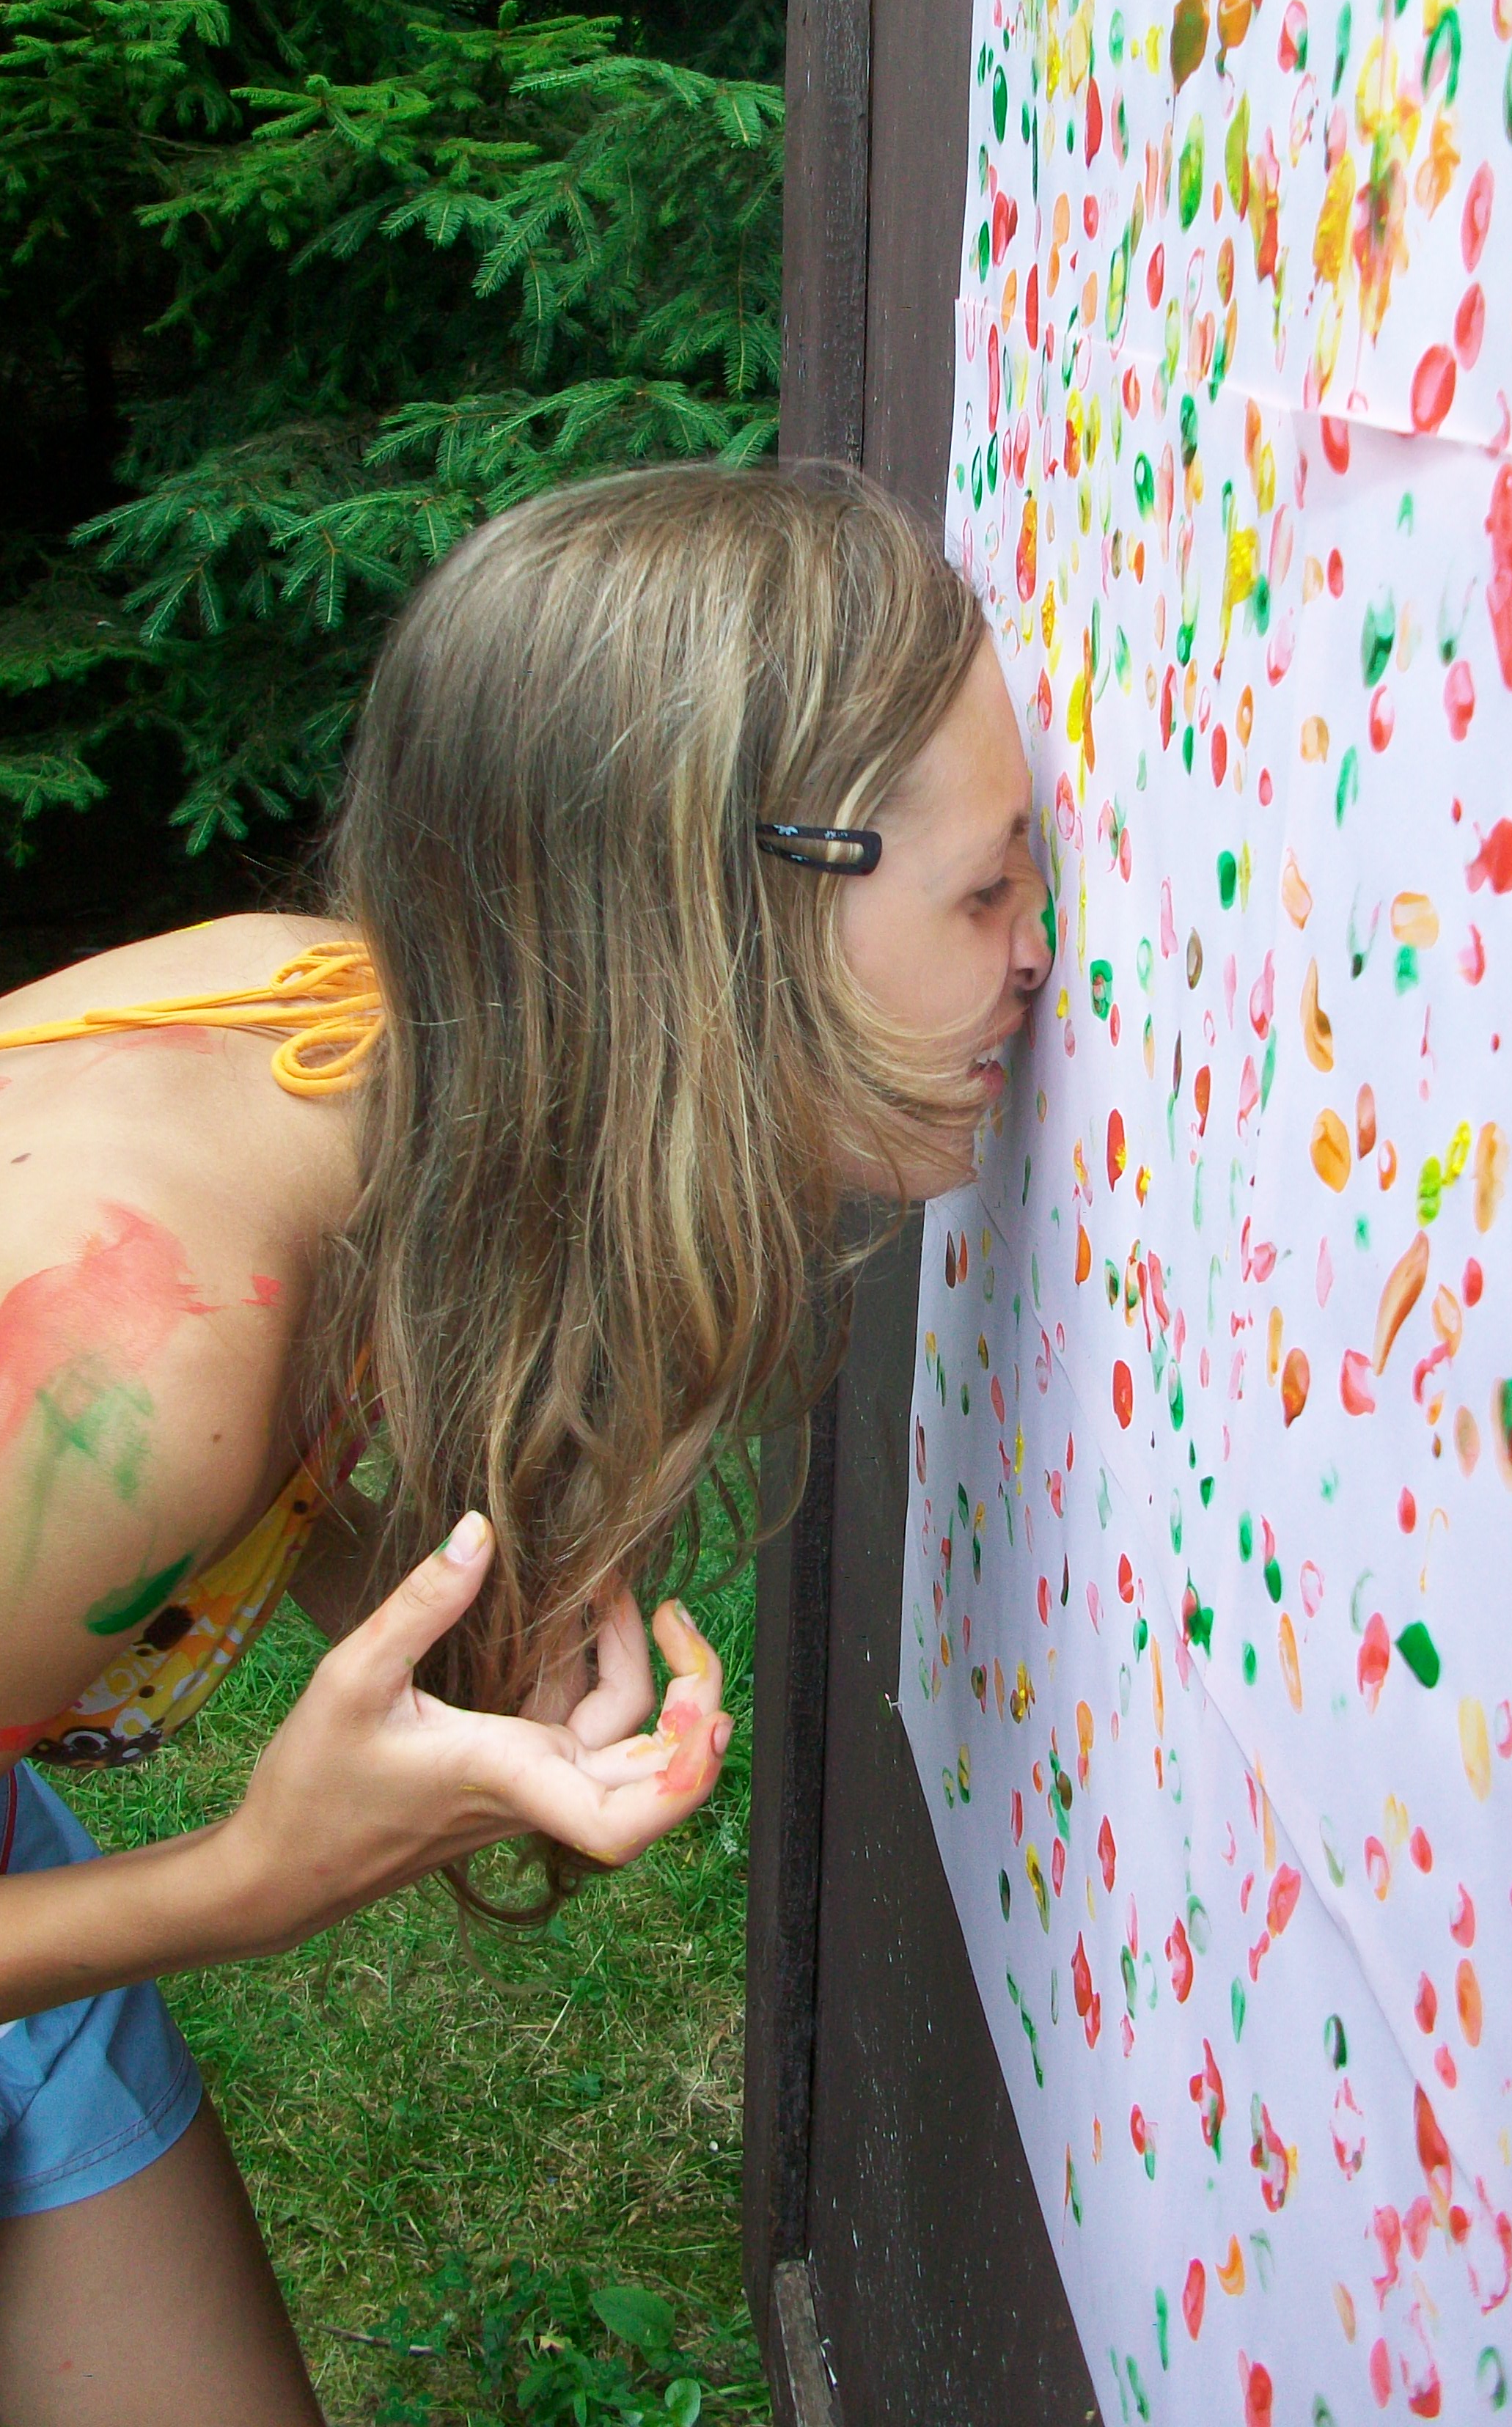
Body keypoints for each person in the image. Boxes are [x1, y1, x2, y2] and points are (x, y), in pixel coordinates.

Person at [0, 461, 1051, 2423]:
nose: (1038, 955)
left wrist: (436, 1590)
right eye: (985, 890)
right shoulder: (135, 1355)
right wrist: (250, 1881)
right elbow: (143, 1455)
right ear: (715, 926)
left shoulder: (334, 1023)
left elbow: (257, 1474)